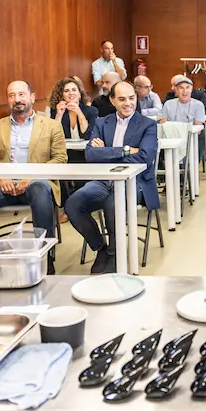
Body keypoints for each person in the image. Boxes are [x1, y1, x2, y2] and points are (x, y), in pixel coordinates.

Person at [0, 81, 67, 274]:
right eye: (12, 95)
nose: (17, 100)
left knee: (40, 192)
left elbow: (60, 159)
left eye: (21, 94)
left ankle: (45, 256)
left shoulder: (52, 126)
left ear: (32, 97)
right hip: (2, 183)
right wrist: (0, 176)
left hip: (37, 181)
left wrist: (32, 176)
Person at [66, 81, 160, 274]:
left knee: (112, 203)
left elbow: (144, 157)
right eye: (122, 99)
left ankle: (115, 253)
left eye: (132, 98)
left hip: (135, 182)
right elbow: (90, 154)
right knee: (73, 204)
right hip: (103, 180)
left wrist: (106, 151)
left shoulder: (148, 125)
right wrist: (125, 150)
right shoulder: (102, 122)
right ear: (112, 100)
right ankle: (101, 248)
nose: (128, 103)